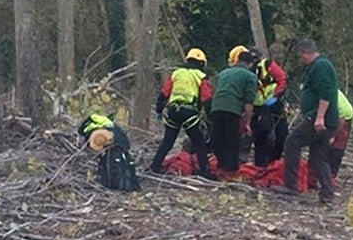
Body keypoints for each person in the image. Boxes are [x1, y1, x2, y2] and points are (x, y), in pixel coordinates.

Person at [272, 39, 339, 206]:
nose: (300, 60)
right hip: (327, 119)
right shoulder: (318, 66)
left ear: (305, 52)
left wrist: (320, 117)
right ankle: (327, 195)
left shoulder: (320, 66)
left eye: (300, 56)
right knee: (318, 157)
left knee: (292, 141)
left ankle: (291, 185)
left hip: (319, 118)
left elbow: (326, 92)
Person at [149, 47, 214, 179]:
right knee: (199, 142)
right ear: (202, 63)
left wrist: (159, 110)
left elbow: (164, 93)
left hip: (173, 111)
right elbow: (206, 98)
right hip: (189, 112)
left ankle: (155, 167)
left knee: (167, 142)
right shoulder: (200, 76)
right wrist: (210, 118)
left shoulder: (176, 73)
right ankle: (205, 172)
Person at [211, 46, 258, 172]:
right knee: (232, 140)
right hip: (232, 109)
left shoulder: (223, 73)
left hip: (216, 107)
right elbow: (249, 102)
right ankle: (231, 170)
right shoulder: (250, 76)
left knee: (219, 138)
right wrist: (247, 122)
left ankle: (221, 165)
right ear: (250, 63)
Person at [78, 113, 140, 192]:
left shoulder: (98, 131)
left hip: (115, 148)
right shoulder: (109, 126)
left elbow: (97, 143)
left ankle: (114, 184)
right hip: (121, 147)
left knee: (111, 162)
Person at [249, 46, 288, 167]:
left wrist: (276, 97)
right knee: (259, 137)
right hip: (257, 107)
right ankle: (260, 165)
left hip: (274, 104)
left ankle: (274, 161)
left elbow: (282, 79)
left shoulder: (267, 64)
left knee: (281, 134)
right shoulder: (247, 70)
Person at [329, 89, 353, 176]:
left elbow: (341, 119)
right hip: (331, 115)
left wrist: (333, 136)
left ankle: (332, 175)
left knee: (337, 147)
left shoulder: (334, 98)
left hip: (344, 116)